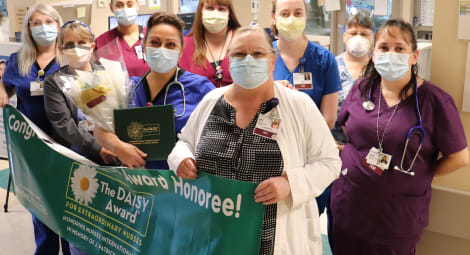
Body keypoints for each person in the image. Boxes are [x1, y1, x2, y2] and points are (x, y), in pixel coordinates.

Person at [168, 26, 341, 255]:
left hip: (272, 239)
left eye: (258, 54)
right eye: (239, 54)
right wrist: (181, 158)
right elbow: (185, 142)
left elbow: (330, 162)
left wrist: (291, 183)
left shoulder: (299, 106)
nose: (248, 60)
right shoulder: (211, 101)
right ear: (229, 60)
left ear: (272, 61)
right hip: (213, 235)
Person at [331, 19, 469, 255]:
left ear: (414, 56)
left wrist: (423, 173)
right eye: (383, 48)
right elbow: (345, 130)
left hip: (394, 219)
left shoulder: (434, 101)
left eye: (399, 48)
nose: (390, 54)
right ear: (373, 54)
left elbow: (459, 157)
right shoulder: (362, 88)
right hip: (348, 207)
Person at [95, 12, 215, 170]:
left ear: (180, 50)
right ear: (144, 45)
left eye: (170, 44)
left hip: (184, 185)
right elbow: (100, 130)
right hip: (136, 184)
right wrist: (118, 147)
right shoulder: (127, 87)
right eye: (155, 42)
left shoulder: (200, 88)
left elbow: (219, 136)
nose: (162, 49)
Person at [0, 4, 71, 255]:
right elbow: (6, 89)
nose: (43, 27)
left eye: (49, 21)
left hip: (69, 149)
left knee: (70, 212)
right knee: (42, 212)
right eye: (36, 22)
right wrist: (2, 89)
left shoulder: (70, 57)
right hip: (33, 150)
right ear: (28, 28)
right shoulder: (19, 60)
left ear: (59, 25)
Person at [271, 0, 341, 130]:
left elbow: (329, 120)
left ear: (305, 16)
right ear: (274, 17)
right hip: (270, 143)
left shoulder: (324, 59)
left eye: (298, 13)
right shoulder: (264, 57)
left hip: (310, 145)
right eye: (285, 14)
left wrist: (302, 141)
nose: (291, 19)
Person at [332, 10, 373, 148]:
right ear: (344, 36)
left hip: (367, 149)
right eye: (353, 33)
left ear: (371, 37)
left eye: (364, 34)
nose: (358, 38)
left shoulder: (379, 71)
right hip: (332, 145)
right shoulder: (331, 66)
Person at [179, 0, 241, 87]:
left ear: (229, 14)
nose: (215, 13)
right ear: (201, 12)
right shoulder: (184, 45)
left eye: (221, 9)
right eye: (210, 8)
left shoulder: (243, 40)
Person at [94, 0, 149, 77]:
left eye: (129, 5)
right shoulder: (101, 42)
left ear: (137, 5)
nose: (125, 9)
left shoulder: (152, 37)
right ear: (111, 7)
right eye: (119, 5)